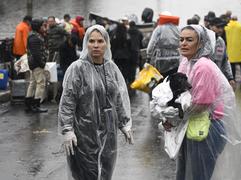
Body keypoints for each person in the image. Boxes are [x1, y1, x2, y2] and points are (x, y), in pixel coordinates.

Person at [58, 25, 134, 180]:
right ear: (86, 43)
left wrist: (124, 123)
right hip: (85, 134)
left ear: (106, 43)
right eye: (91, 41)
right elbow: (68, 101)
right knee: (88, 174)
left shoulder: (111, 67)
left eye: (100, 41)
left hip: (109, 133)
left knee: (105, 172)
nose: (96, 45)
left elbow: (117, 97)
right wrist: (67, 129)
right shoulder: (77, 69)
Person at [170, 24, 241, 180]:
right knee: (184, 172)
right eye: (181, 39)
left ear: (201, 43)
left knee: (199, 175)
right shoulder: (186, 61)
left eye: (189, 40)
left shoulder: (204, 66)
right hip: (192, 124)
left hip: (207, 129)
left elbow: (201, 104)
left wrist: (174, 116)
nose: (183, 43)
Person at [24, 19, 48, 113]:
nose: (44, 28)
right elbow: (36, 53)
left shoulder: (33, 35)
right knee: (40, 83)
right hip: (37, 64)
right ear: (38, 27)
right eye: (42, 26)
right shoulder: (35, 38)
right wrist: (42, 64)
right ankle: (36, 104)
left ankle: (28, 104)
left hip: (33, 63)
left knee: (32, 83)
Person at [147, 11, 180, 77]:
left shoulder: (159, 28)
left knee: (162, 79)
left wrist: (148, 56)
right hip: (176, 58)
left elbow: (152, 44)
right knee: (173, 78)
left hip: (162, 59)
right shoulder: (178, 28)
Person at [209, 17, 235, 89]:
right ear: (210, 26)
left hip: (217, 81)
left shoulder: (221, 41)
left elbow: (225, 61)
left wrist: (230, 77)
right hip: (204, 80)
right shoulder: (203, 41)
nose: (220, 30)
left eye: (222, 27)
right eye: (218, 27)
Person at [225, 15, 241, 80]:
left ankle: (233, 79)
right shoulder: (240, 26)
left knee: (232, 66)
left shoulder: (226, 27)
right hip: (239, 49)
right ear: (237, 19)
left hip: (230, 49)